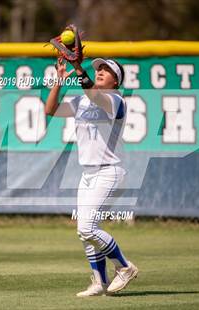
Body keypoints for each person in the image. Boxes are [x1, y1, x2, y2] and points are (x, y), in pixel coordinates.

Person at [45, 57, 138, 297]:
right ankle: (100, 282)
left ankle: (125, 267)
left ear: (116, 81)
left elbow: (95, 96)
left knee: (87, 228)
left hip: (110, 171)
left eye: (107, 70)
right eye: (99, 68)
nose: (101, 71)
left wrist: (78, 68)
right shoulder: (81, 101)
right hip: (87, 174)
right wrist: (59, 81)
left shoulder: (117, 101)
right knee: (85, 230)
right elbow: (50, 110)